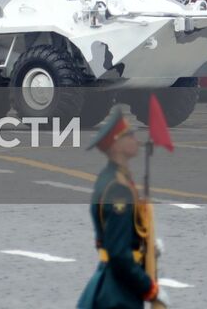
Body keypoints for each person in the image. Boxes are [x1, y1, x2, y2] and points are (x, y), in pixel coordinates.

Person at [77, 105, 161, 309]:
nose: (136, 139)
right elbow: (119, 253)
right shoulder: (117, 190)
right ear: (116, 146)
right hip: (116, 294)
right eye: (129, 135)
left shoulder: (116, 178)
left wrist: (147, 244)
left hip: (116, 285)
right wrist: (149, 288)